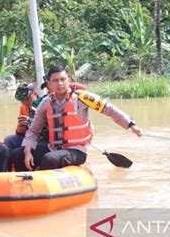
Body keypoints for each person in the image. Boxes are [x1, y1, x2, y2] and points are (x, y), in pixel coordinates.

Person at [10, 66, 142, 172]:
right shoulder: (45, 103)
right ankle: (26, 185)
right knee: (17, 154)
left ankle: (43, 184)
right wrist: (27, 151)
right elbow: (33, 130)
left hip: (76, 150)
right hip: (54, 147)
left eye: (63, 79)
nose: (60, 83)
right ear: (49, 83)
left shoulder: (81, 98)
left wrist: (131, 125)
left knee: (49, 159)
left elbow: (110, 109)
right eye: (55, 80)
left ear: (69, 80)